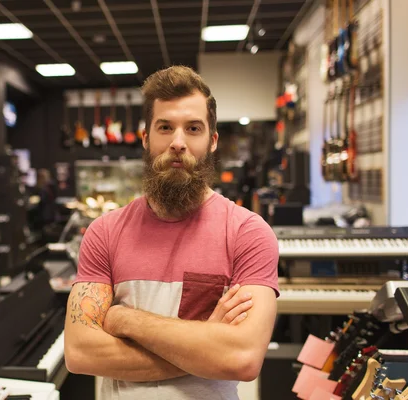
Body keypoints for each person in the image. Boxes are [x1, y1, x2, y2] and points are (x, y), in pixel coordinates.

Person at [64, 65, 279, 400]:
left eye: (193, 128)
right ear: (147, 138)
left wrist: (124, 320)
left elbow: (242, 358)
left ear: (212, 141)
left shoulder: (248, 233)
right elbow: (81, 353)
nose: (178, 142)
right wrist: (206, 342)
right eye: (165, 127)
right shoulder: (104, 232)